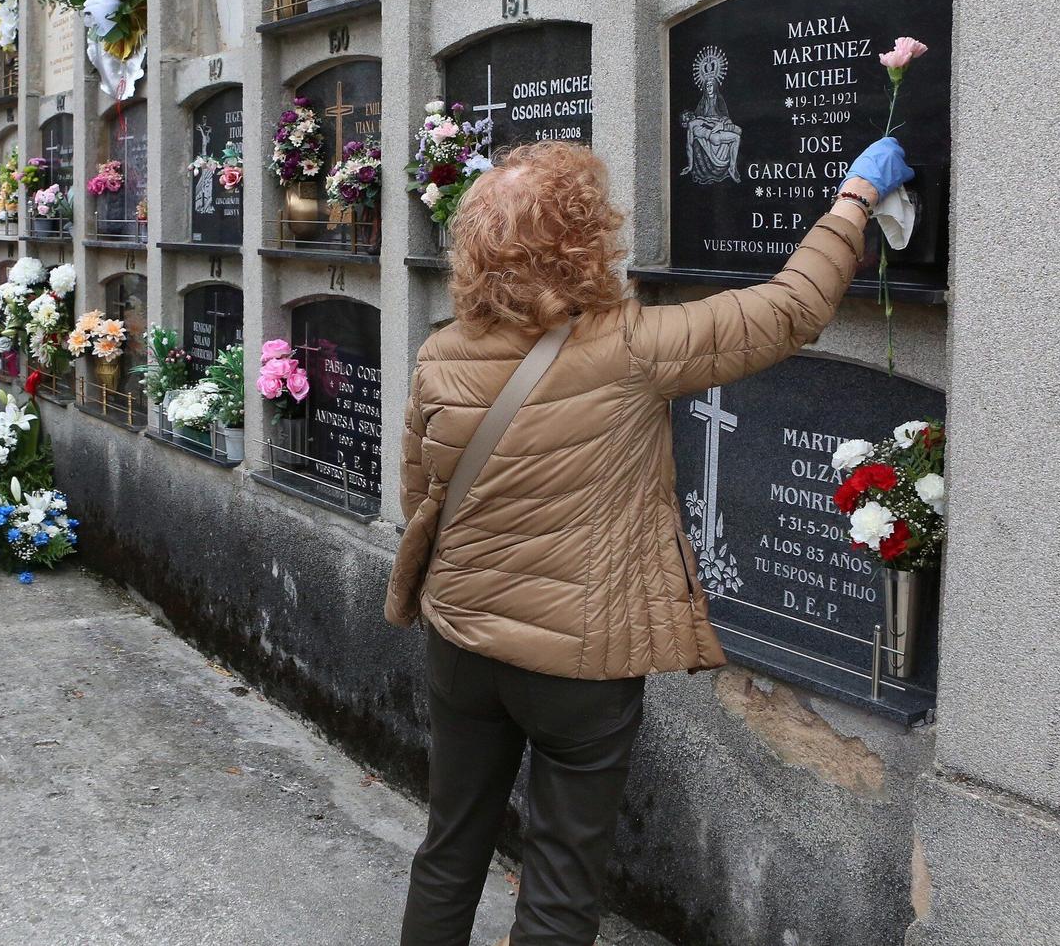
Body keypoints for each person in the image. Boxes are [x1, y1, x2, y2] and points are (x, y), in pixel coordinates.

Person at [388, 137, 915, 946]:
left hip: (462, 644)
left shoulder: (438, 355)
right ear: (584, 239)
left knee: (450, 846)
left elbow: (419, 496)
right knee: (561, 882)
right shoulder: (632, 347)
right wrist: (854, 200)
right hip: (581, 665)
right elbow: (789, 309)